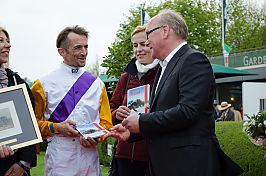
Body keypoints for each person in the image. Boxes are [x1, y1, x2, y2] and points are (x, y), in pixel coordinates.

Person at [105, 9, 244, 176]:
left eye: (148, 34)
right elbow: (162, 117)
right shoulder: (165, 67)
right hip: (166, 164)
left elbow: (187, 111)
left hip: (188, 164)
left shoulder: (193, 60)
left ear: (165, 31)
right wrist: (133, 133)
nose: (147, 42)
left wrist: (141, 122)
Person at [31, 25, 112, 175]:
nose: (84, 52)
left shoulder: (97, 84)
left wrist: (97, 138)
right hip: (60, 158)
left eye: (86, 47)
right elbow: (32, 125)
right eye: (78, 48)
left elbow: (106, 123)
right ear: (62, 52)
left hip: (90, 158)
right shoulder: (42, 84)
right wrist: (57, 128)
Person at [110, 25, 159, 176]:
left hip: (154, 156)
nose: (139, 49)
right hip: (124, 155)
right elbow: (111, 109)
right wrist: (116, 113)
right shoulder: (126, 77)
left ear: (153, 44)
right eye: (135, 45)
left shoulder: (164, 74)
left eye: (144, 44)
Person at [0, 26, 37, 176]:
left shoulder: (16, 82)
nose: (8, 45)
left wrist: (23, 164)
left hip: (12, 167)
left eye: (8, 41)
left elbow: (30, 125)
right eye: (0, 41)